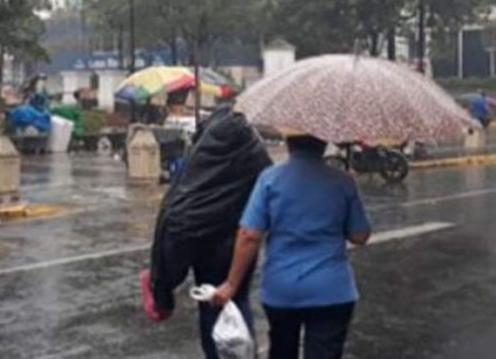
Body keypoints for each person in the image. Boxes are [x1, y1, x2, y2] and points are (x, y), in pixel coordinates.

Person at [213, 135, 371, 359]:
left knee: (282, 350)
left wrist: (231, 284)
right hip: (332, 290)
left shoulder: (270, 179)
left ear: (288, 143)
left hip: (282, 290)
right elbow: (360, 236)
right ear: (324, 144)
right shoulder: (343, 181)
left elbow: (249, 236)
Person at [147, 108, 272, 358]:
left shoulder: (199, 162)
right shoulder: (255, 155)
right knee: (238, 301)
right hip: (240, 245)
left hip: (207, 249)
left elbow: (175, 218)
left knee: (211, 307)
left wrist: (163, 286)